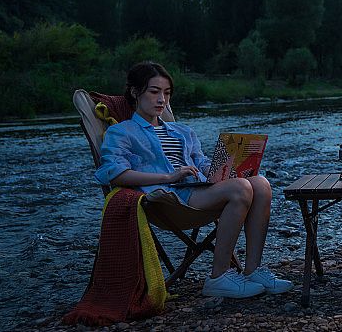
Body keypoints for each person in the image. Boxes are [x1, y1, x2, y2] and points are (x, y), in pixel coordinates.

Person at [95, 62, 293, 298]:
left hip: (198, 189)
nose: (162, 100)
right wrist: (168, 176)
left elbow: (200, 162)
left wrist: (226, 168)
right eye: (154, 91)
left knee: (260, 183)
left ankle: (252, 270)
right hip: (167, 199)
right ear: (135, 92)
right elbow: (114, 174)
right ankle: (218, 277)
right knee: (241, 188)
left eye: (167, 93)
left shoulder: (182, 131)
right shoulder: (122, 132)